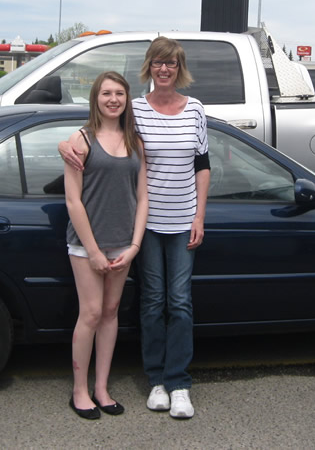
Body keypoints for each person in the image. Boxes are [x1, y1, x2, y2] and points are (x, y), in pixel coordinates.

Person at [61, 37, 210, 419]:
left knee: (178, 303)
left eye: (171, 64)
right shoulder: (136, 110)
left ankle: (177, 384)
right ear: (149, 68)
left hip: (175, 223)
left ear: (179, 68)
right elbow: (97, 132)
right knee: (151, 302)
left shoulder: (195, 109)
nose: (164, 69)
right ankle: (155, 380)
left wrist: (199, 216)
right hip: (139, 226)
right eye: (158, 63)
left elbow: (202, 164)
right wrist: (67, 142)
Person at [64, 71, 148, 420]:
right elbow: (73, 201)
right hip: (87, 246)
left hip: (123, 245)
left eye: (119, 94)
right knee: (92, 313)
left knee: (111, 314)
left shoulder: (135, 142)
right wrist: (95, 252)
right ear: (95, 99)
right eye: (105, 93)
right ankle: (79, 391)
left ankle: (102, 388)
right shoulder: (80, 140)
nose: (113, 99)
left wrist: (135, 245)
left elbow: (143, 197)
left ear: (127, 99)